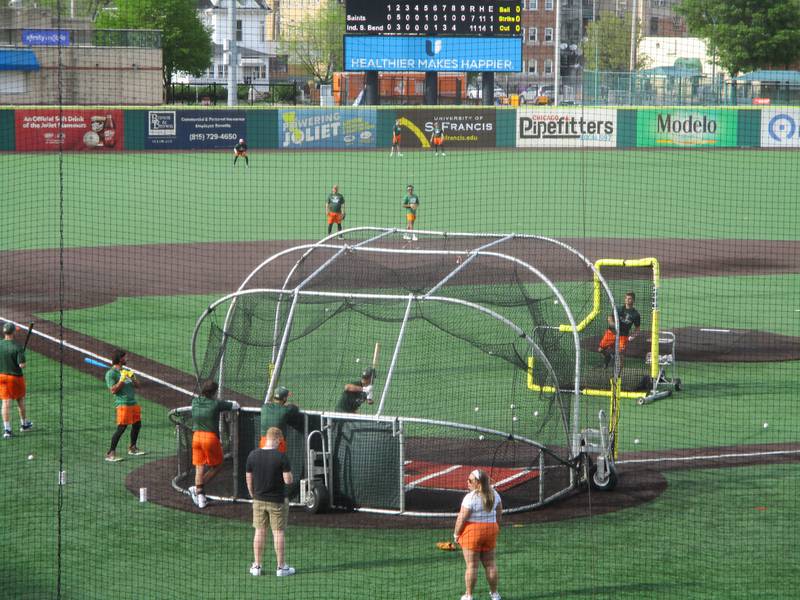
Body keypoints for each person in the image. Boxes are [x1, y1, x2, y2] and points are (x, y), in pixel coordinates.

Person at [246, 426, 295, 578]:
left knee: (259, 532)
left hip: (258, 500)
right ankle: (281, 568)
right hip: (277, 502)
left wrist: (252, 494)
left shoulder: (253, 455)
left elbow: (249, 478)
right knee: (278, 533)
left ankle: (257, 566)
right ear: (277, 439)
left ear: (266, 438)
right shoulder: (282, 457)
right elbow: (288, 480)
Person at [189, 380, 239, 509]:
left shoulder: (195, 401)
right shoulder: (216, 404)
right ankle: (197, 488)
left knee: (199, 468)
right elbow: (235, 405)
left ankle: (200, 497)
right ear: (214, 392)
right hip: (210, 438)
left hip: (196, 437)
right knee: (218, 465)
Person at [453, 469, 503, 600]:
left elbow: (461, 518)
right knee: (491, 564)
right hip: (491, 530)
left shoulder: (470, 497)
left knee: (472, 565)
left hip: (473, 532)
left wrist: (456, 534)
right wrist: (496, 528)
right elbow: (499, 514)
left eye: (470, 481)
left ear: (477, 483)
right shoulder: (495, 495)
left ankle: (468, 595)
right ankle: (495, 594)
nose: (467, 482)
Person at [104, 349, 145, 462]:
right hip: (123, 404)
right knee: (121, 428)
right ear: (120, 359)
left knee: (137, 424)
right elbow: (113, 390)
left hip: (133, 403)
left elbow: (138, 386)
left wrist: (132, 378)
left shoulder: (126, 371)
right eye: (125, 357)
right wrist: (122, 379)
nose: (127, 359)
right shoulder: (111, 374)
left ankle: (132, 448)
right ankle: (110, 453)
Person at [0, 322, 32, 439]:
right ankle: (24, 425)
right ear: (13, 332)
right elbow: (22, 365)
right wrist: (22, 356)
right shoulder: (17, 347)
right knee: (20, 400)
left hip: (1, 377)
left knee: (5, 402)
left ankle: (7, 429)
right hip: (15, 378)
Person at [597, 291, 641, 368]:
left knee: (621, 355)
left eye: (629, 299)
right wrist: (612, 323)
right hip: (612, 332)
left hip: (623, 336)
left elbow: (637, 328)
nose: (627, 300)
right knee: (600, 349)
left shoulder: (635, 314)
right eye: (626, 298)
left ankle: (619, 376)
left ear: (633, 300)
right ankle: (608, 356)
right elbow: (610, 317)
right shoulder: (619, 309)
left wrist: (632, 336)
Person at [259, 385, 300, 453]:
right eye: (286, 397)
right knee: (279, 462)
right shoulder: (286, 410)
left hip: (264, 442)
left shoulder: (264, 407)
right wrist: (288, 404)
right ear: (284, 399)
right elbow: (296, 407)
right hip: (278, 443)